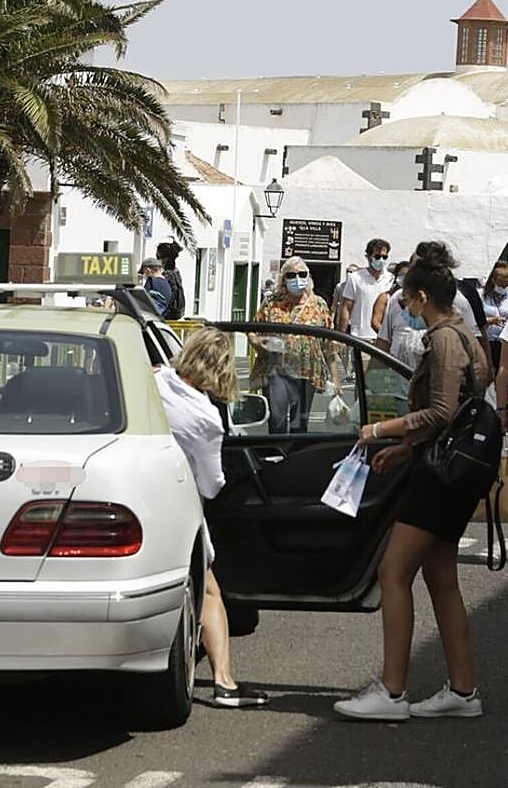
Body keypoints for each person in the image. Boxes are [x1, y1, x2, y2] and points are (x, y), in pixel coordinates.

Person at [334, 245, 487, 721]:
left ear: (423, 297)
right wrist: (407, 447)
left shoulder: (442, 339)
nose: (405, 308)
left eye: (407, 300)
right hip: (453, 471)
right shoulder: (465, 335)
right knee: (441, 579)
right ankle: (462, 690)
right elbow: (459, 413)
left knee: (393, 574)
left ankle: (393, 691)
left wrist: (383, 431)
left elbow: (441, 411)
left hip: (438, 479)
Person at [155, 327, 269, 708]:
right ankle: (224, 682)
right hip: (176, 512)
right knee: (208, 591)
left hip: (131, 504)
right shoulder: (206, 418)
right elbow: (211, 484)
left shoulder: (154, 380)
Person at [250, 256, 339, 433]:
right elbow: (253, 330)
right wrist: (260, 344)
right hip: (276, 370)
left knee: (300, 423)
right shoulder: (271, 302)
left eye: (302, 274)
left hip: (307, 371)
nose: (297, 278)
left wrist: (336, 378)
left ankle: (295, 457)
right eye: (291, 275)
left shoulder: (318, 304)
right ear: (284, 279)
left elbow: (329, 343)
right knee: (277, 418)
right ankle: (276, 454)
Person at [339, 239, 393, 342]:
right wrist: (341, 336)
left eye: (384, 257)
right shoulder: (355, 278)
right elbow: (346, 307)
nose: (381, 260)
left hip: (382, 339)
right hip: (359, 338)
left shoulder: (391, 279)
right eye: (377, 256)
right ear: (368, 257)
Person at [480, 262, 508, 366]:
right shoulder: (482, 296)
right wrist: (491, 320)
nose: (503, 288)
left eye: (506, 285)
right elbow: (475, 320)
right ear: (493, 281)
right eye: (501, 285)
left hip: (506, 342)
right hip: (487, 341)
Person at [156, 241, 186, 320]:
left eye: (158, 257)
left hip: (167, 316)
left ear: (164, 259)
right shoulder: (176, 273)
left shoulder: (166, 276)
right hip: (177, 314)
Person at [331, 263, 360, 332]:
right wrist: (331, 321)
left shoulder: (361, 288)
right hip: (341, 321)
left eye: (352, 272)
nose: (349, 274)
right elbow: (334, 306)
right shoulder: (340, 287)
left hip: (355, 324)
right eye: (348, 271)